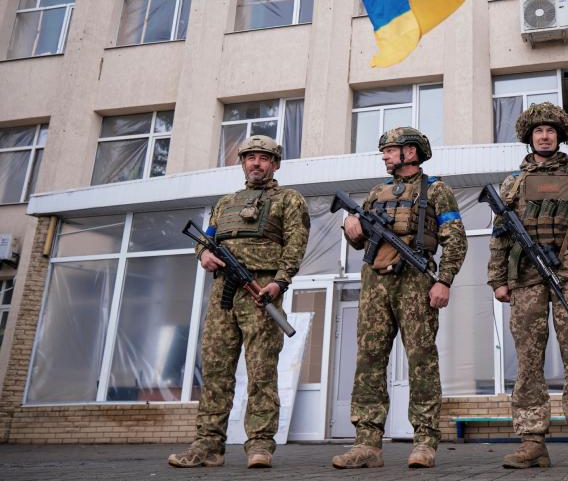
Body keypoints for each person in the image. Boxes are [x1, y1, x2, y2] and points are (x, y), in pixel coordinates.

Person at [487, 102, 568, 470]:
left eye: (551, 131)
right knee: (528, 360)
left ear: (560, 136)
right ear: (529, 138)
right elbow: (499, 235)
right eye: (538, 131)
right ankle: (532, 442)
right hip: (526, 278)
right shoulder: (512, 183)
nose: (545, 136)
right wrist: (498, 279)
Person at [168, 135, 310, 469]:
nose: (256, 163)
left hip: (261, 292)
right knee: (216, 370)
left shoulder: (289, 199)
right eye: (250, 158)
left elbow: (296, 245)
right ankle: (208, 446)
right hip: (223, 295)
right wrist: (203, 253)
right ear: (243, 162)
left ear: (274, 163)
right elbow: (207, 238)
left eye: (263, 158)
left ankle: (260, 445)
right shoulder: (225, 202)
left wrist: (279, 281)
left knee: (261, 371)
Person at [331, 127, 467, 469]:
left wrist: (444, 281)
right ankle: (366, 443)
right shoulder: (376, 193)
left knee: (422, 359)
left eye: (390, 150)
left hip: (416, 281)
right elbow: (360, 240)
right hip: (376, 283)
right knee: (369, 360)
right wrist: (351, 229)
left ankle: (424, 440)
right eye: (385, 151)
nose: (385, 156)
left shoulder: (437, 191)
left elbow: (456, 240)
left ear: (411, 152)